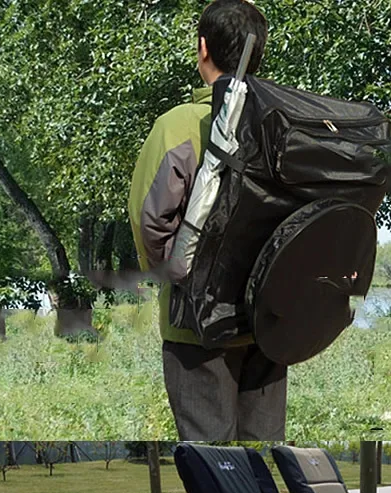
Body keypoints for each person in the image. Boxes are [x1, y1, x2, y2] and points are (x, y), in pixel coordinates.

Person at [128, 0, 286, 441]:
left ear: (203, 48)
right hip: (267, 324)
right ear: (258, 54)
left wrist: (179, 281)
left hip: (196, 329)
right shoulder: (282, 123)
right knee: (260, 459)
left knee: (214, 467)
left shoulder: (176, 126)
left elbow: (148, 220)